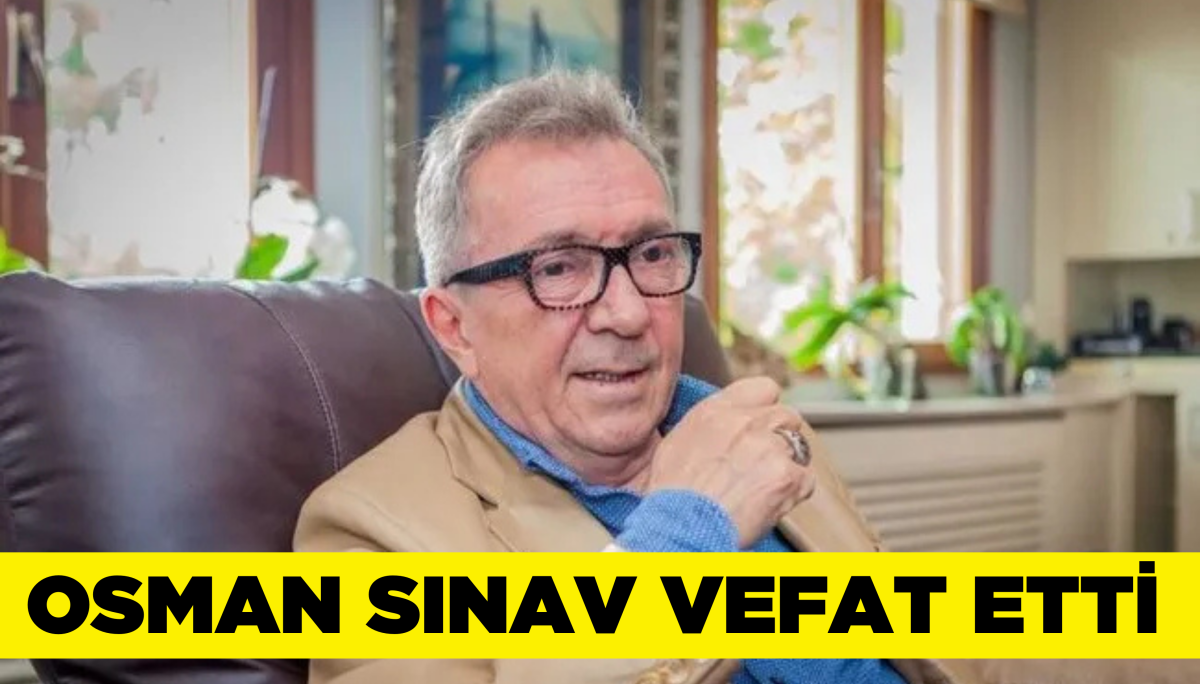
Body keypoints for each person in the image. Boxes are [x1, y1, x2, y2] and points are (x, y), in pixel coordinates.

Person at [292, 68, 970, 684]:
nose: (628, 313)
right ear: (454, 327)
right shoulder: (370, 530)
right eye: (558, 268)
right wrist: (687, 532)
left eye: (650, 254)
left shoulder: (758, 436)